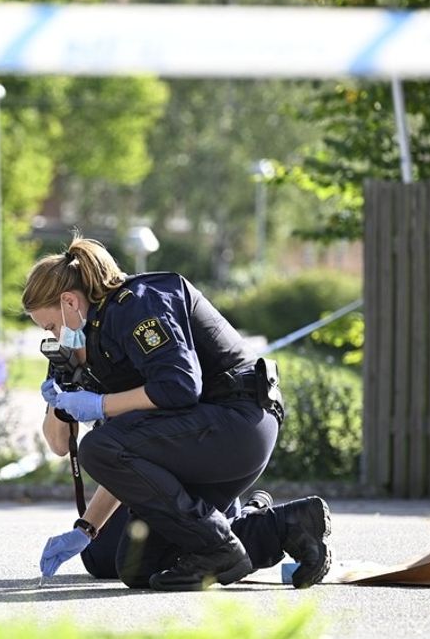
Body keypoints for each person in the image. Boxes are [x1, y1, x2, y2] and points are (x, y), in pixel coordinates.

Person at [22, 235, 331, 591]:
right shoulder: (82, 344)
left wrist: (99, 405)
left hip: (237, 424)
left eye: (51, 327)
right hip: (197, 439)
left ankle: (221, 547)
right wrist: (86, 529)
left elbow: (179, 387)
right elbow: (69, 446)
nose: (54, 337)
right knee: (135, 567)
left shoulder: (136, 305)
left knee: (98, 446)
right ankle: (286, 526)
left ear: (70, 301)